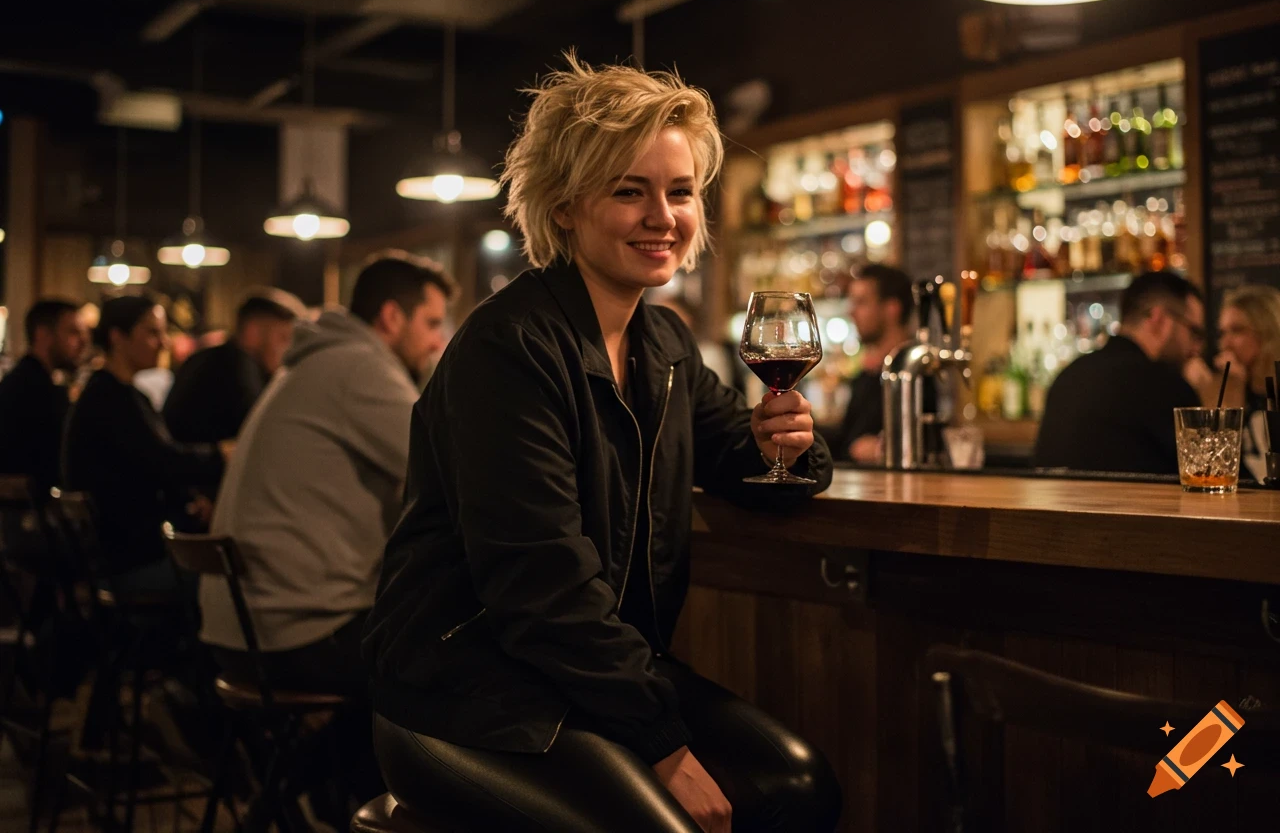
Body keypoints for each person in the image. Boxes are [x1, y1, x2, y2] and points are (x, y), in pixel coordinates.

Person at [362, 55, 840, 833]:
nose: (664, 216)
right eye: (629, 191)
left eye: (680, 192)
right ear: (563, 209)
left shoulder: (665, 346)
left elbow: (738, 458)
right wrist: (662, 745)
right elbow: (538, 581)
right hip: (466, 690)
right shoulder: (509, 347)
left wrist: (785, 443)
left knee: (800, 784)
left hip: (591, 676)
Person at [198, 252, 452, 815]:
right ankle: (360, 812)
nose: (438, 342)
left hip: (241, 626)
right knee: (454, 672)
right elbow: (453, 471)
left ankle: (303, 802)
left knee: (412, 670)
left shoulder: (315, 363)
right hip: (290, 632)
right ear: (391, 317)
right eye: (432, 323)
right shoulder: (360, 369)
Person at [62, 296, 227, 594]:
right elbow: (165, 461)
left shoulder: (111, 394)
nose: (164, 343)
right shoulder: (112, 400)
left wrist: (188, 501)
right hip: (129, 566)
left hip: (115, 559)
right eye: (152, 333)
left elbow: (148, 466)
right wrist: (222, 454)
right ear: (118, 337)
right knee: (229, 584)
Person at [1035, 271, 1204, 475]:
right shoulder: (1166, 385)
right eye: (1194, 332)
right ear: (1159, 319)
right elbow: (1212, 477)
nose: (1196, 347)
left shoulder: (1069, 375)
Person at [164, 288, 306, 444]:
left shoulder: (209, 358)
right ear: (254, 332)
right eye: (283, 338)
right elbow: (266, 432)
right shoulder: (235, 365)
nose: (289, 349)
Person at [1185, 284, 1280, 480]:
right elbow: (1214, 467)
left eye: (1237, 331)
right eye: (1222, 333)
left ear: (1267, 332)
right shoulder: (1228, 385)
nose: (1225, 343)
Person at [0, 300, 87, 496]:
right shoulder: (31, 389)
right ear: (43, 335)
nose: (83, 342)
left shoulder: (31, 380)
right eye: (73, 332)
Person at [832, 264, 913, 465]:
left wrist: (883, 449)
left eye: (861, 303)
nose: (852, 313)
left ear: (891, 309)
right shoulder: (866, 374)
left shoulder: (914, 373)